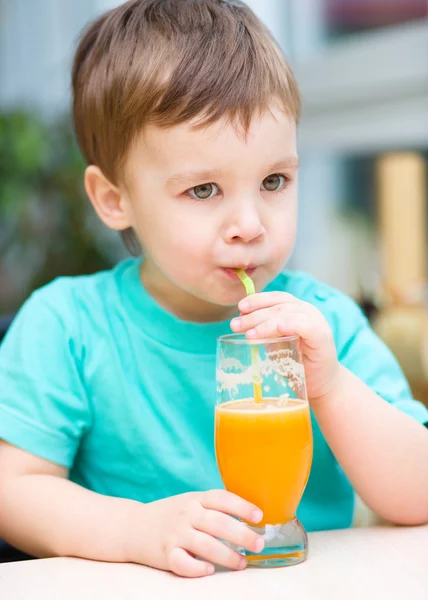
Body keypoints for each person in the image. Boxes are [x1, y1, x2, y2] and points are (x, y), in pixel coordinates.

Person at [0, 0, 427, 579]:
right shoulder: (67, 325)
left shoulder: (324, 324)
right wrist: (133, 530)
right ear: (113, 199)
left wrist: (328, 385)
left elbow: (417, 495)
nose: (250, 224)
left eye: (274, 180)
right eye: (203, 190)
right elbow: (12, 490)